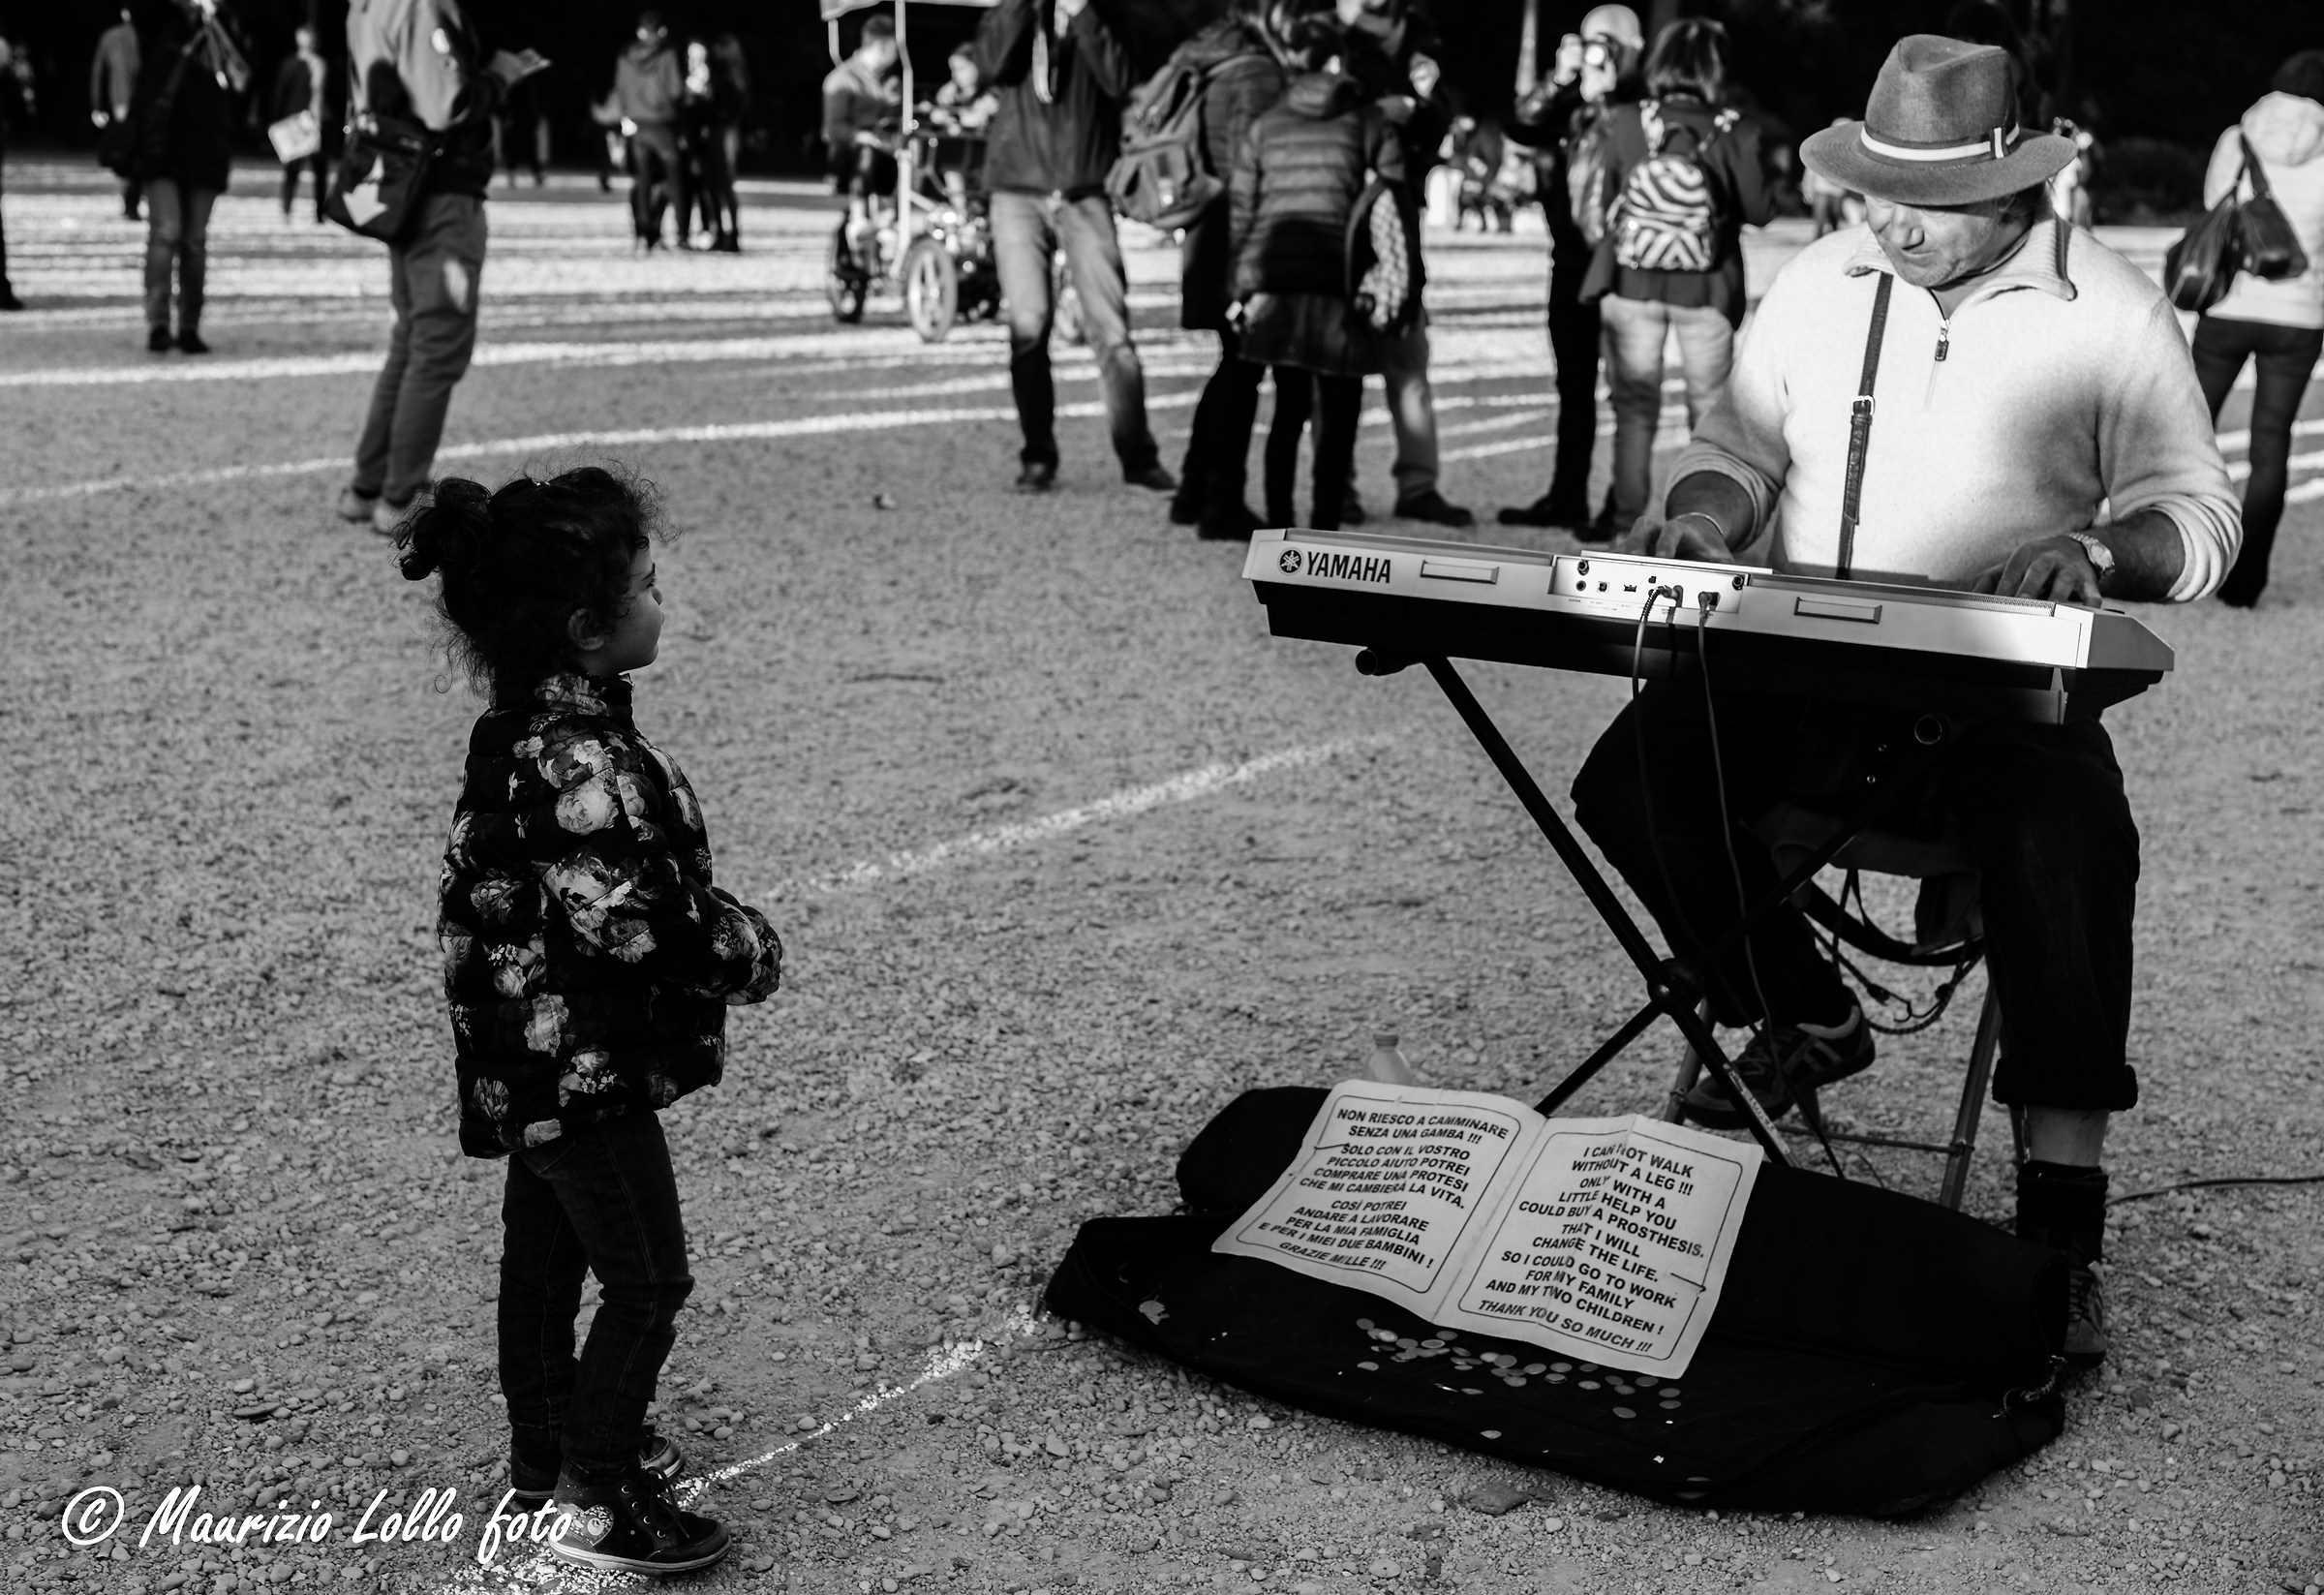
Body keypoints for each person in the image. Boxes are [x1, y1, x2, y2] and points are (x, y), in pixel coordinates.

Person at [1569, 37, 2240, 1366]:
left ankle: (2060, 1218)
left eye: (1915, 198)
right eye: (1870, 187)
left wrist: (2104, 555)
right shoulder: (1825, 277)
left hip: (1998, 679)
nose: (1882, 217)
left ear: (2011, 188)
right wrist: (1704, 514)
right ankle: (1803, 1010)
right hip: (1801, 653)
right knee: (1633, 780)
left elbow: (2199, 514)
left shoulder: (2106, 307)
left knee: (2068, 842)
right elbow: (1735, 447)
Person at [393, 466, 780, 1576]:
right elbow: (636, 918)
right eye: (649, 588)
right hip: (577, 1064)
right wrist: (747, 950)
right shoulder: (577, 763)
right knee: (649, 1277)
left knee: (546, 1263)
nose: (666, 603)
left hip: (536, 1061)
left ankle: (543, 1452)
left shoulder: (534, 731)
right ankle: (595, 1490)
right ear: (587, 630)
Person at [332, 0, 538, 535]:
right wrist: (500, 75)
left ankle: (368, 485)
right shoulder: (422, 5)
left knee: (411, 343)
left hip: (402, 188)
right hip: (441, 197)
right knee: (437, 346)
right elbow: (446, 105)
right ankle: (400, 496)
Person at [1579, 16, 1773, 539]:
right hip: (1705, 287)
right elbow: (1759, 210)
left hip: (1630, 280)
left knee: (1634, 407)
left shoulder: (1625, 121)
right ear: (1716, 68)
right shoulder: (1735, 128)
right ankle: (1698, 528)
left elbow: (1605, 199)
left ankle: (1624, 519)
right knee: (1708, 416)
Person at [973, 0, 1172, 494]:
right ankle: (1037, 455)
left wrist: (1083, 13)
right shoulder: (1008, 12)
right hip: (1017, 189)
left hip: (1085, 188)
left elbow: (1122, 80)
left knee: (1112, 329)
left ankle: (1138, 456)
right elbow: (992, 66)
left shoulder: (1108, 14)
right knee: (1028, 326)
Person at [1232, 13, 1404, 531]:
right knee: (1339, 417)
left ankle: (1279, 530)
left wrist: (1241, 286)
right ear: (1335, 61)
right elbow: (1394, 201)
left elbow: (1243, 212)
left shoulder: (1266, 124)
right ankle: (1325, 530)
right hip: (1343, 285)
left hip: (1278, 284)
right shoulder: (1368, 119)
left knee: (1287, 413)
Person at [1502, 3, 1643, 532]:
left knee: (1629, 390)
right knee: (1574, 385)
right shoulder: (1571, 100)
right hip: (1569, 259)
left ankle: (1621, 506)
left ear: (1635, 49)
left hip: (1625, 264)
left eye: (1607, 41)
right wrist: (1559, 80)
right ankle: (1567, 497)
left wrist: (1609, 91)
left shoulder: (1638, 100)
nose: (1597, 51)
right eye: (1590, 41)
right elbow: (1521, 126)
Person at [2191, 50, 2324, 608]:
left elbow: (2211, 205)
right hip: (2299, 318)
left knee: (2187, 433)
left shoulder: (2237, 138)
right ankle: (2244, 587)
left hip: (2228, 307)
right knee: (2271, 449)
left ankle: (2171, 560)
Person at [1164, 0, 1297, 540]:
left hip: (1210, 232)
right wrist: (1252, 273)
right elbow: (1250, 172)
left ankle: (1194, 489)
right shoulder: (1257, 72)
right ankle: (1221, 501)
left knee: (1232, 367)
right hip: (1234, 239)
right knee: (1242, 369)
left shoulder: (1215, 57)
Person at [1333, 0, 1467, 528]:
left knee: (1408, 353)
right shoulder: (1332, 39)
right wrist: (1378, 114)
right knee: (1339, 360)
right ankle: (1336, 482)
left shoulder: (1421, 36)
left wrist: (1427, 102)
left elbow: (1437, 130)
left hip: (1402, 212)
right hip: (1344, 213)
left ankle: (1419, 483)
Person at [128, 0, 237, 355]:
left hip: (207, 144)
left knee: (194, 240)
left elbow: (243, 70)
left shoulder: (224, 24)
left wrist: (215, 18)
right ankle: (158, 322)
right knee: (166, 231)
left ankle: (189, 325)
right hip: (162, 143)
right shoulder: (159, 20)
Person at [821, 14, 900, 255]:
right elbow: (832, 129)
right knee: (866, 153)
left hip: (885, 150)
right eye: (893, 48)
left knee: (906, 159)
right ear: (880, 46)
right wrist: (864, 137)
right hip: (849, 153)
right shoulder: (841, 80)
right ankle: (858, 219)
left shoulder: (892, 81)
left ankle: (888, 217)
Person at [616, 11, 685, 250]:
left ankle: (644, 231)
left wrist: (627, 114)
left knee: (642, 181)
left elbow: (620, 89)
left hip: (636, 124)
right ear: (661, 31)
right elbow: (675, 89)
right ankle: (681, 231)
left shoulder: (626, 56)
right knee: (674, 179)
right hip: (661, 122)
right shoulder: (667, 55)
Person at [679, 39, 739, 250]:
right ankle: (715, 231)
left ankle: (731, 233)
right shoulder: (689, 81)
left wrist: (703, 102)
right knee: (707, 188)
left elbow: (728, 107)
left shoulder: (718, 79)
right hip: (701, 140)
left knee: (722, 186)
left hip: (717, 138)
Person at [270, 25, 328, 222]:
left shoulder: (297, 64)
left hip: (302, 123)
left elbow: (280, 95)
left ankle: (302, 212)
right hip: (302, 123)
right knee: (304, 171)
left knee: (304, 172)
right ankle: (308, 213)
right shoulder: (312, 65)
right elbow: (316, 95)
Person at [91, 8, 144, 221]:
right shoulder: (145, 35)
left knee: (128, 149)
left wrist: (98, 104)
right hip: (140, 101)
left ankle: (131, 201)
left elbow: (99, 73)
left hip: (119, 101)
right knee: (138, 149)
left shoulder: (110, 36)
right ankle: (133, 200)